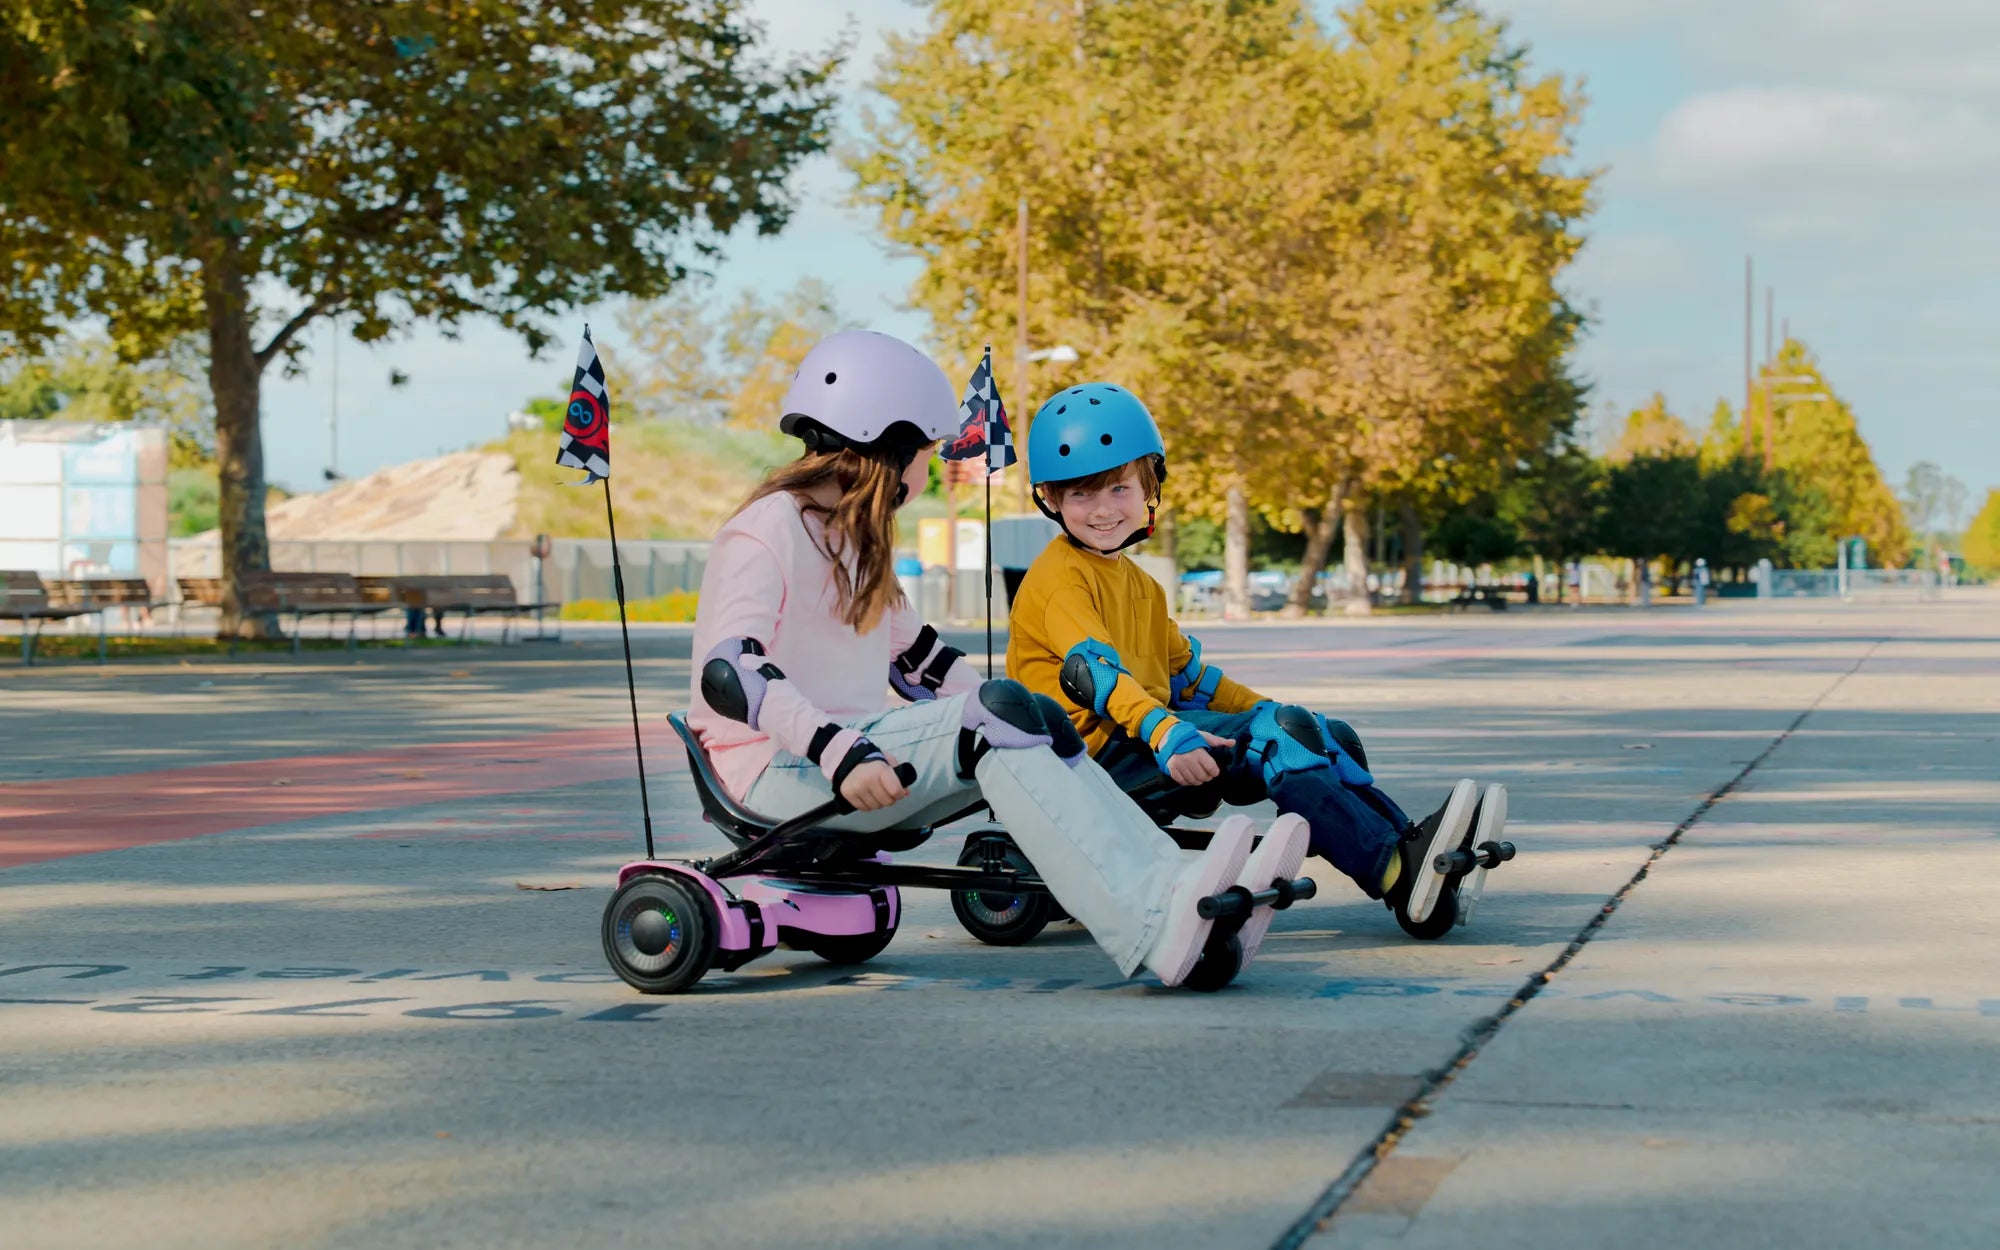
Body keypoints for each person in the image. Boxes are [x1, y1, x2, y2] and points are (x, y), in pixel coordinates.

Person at [687, 331, 1308, 988]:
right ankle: (1153, 919)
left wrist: (1030, 714)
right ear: (891, 446)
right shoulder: (766, 531)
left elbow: (922, 661)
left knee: (1022, 712)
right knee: (1001, 716)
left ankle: (1177, 884)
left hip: (854, 757)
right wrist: (837, 749)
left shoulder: (854, 542)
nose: (927, 472)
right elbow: (730, 672)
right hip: (779, 769)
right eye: (926, 453)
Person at [1006, 383, 1508, 936]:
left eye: (1119, 488)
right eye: (1081, 494)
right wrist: (1165, 732)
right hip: (1096, 755)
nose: (1103, 509)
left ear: (1150, 486)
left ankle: (1412, 847)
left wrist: (1285, 713)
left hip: (1146, 737)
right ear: (1049, 499)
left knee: (1315, 731)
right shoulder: (1059, 580)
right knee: (1280, 737)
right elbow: (1097, 677)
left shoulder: (1140, 584)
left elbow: (1193, 679)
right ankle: (1393, 872)